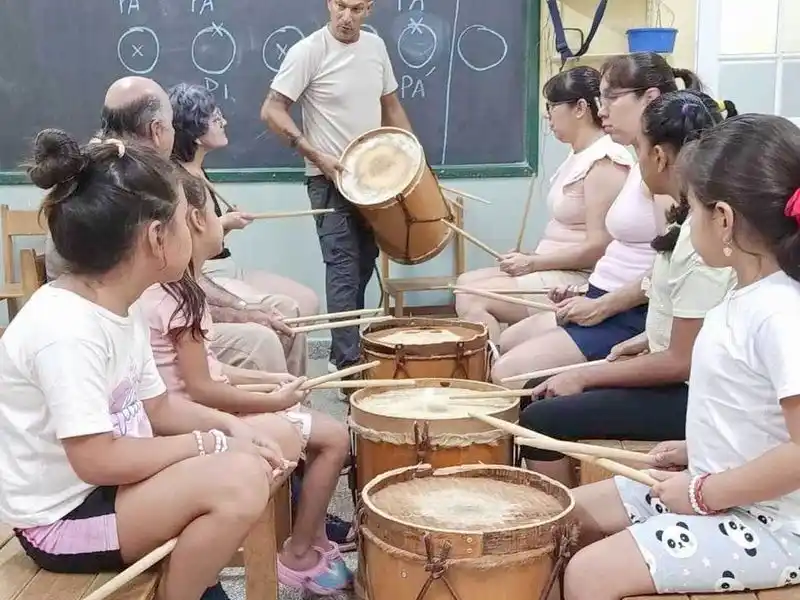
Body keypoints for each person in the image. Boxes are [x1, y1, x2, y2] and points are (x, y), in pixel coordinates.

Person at [0, 129, 290, 600]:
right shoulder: (66, 331)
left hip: (113, 489)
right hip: (65, 520)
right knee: (238, 481)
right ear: (157, 238)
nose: (196, 227)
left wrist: (229, 428)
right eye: (185, 219)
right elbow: (97, 459)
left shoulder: (122, 303)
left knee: (265, 437)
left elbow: (159, 410)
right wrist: (206, 443)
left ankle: (199, 581)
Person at [561, 114, 800, 599]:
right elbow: (759, 416)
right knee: (560, 516)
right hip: (723, 487)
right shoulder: (748, 293)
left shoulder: (780, 314)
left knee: (590, 575)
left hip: (774, 523)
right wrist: (699, 450)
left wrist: (700, 492)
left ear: (725, 219)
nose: (685, 221)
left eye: (690, 208)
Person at [138, 172, 353, 595]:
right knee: (335, 437)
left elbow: (212, 371)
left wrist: (269, 380)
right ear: (196, 221)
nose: (224, 224)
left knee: (314, 425)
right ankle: (298, 552)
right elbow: (202, 390)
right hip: (198, 422)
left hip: (196, 412)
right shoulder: (182, 300)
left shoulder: (172, 292)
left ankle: (313, 539)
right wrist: (272, 401)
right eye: (217, 215)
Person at [519, 90, 736, 486]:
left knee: (539, 416)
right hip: (682, 374)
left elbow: (681, 361)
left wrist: (588, 376)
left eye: (640, 148)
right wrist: (641, 340)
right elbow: (681, 318)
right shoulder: (688, 221)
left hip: (699, 396)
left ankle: (560, 522)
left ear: (658, 157)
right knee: (537, 390)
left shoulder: (700, 237)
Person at [44, 77, 295, 380]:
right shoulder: (131, 183)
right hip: (117, 330)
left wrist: (244, 309)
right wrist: (243, 312)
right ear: (156, 130)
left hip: (129, 319)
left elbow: (176, 286)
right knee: (260, 342)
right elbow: (165, 300)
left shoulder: (109, 167)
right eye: (172, 125)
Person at [492, 53, 703, 386]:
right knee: (508, 342)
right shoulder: (639, 164)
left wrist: (603, 305)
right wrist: (585, 291)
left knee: (508, 373)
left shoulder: (661, 172)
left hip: (628, 313)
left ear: (650, 98)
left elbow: (668, 270)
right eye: (600, 98)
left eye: (611, 98)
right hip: (602, 296)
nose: (601, 109)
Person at [262, 0, 412, 373]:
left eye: (357, 9)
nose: (347, 17)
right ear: (329, 4)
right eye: (341, 6)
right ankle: (347, 365)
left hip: (373, 182)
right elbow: (271, 110)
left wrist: (415, 164)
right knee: (343, 268)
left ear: (370, 9)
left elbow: (391, 107)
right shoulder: (309, 51)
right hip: (328, 180)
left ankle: (343, 354)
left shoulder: (376, 48)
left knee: (364, 264)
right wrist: (315, 155)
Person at [455, 67, 632, 341]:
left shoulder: (605, 161)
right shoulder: (579, 155)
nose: (547, 115)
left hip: (578, 278)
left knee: (471, 298)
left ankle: (491, 370)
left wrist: (532, 264)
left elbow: (599, 247)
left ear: (580, 108)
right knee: (464, 284)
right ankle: (499, 353)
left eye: (552, 106)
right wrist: (531, 257)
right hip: (555, 268)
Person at [169, 83, 317, 377]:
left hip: (225, 264)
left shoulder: (198, 171)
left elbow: (207, 236)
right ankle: (288, 397)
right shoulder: (179, 180)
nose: (224, 122)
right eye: (214, 118)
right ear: (197, 134)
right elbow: (190, 248)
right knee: (285, 310)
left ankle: (291, 393)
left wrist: (226, 224)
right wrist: (224, 223)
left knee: (307, 300)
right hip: (208, 273)